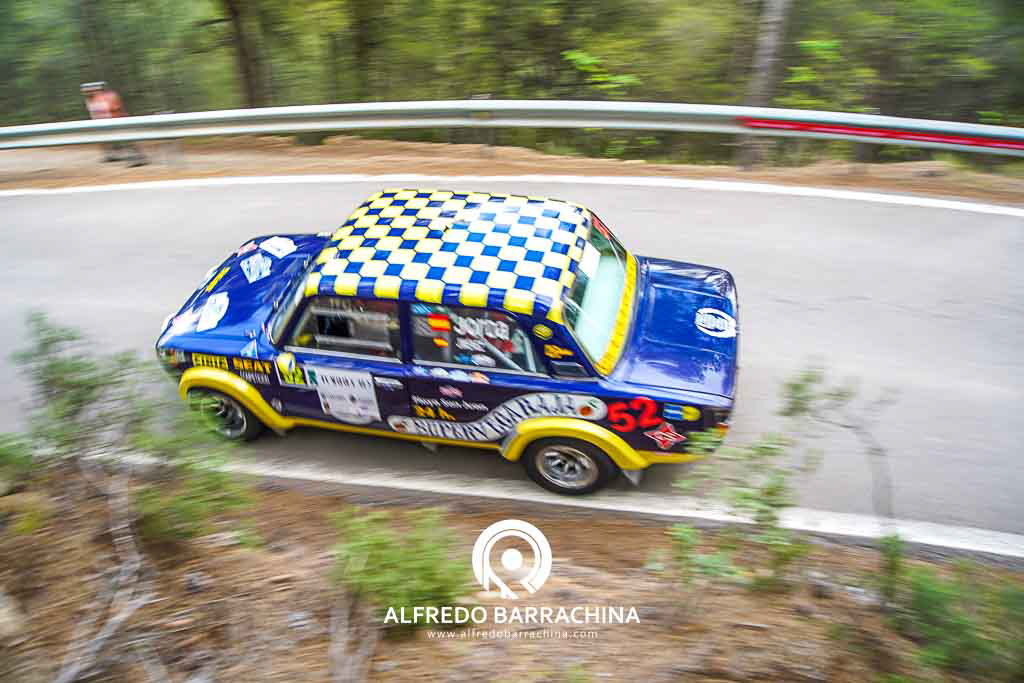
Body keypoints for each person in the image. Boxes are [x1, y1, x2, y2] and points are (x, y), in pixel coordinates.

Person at [80, 81, 148, 166]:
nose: (87, 92)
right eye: (86, 91)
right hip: (102, 123)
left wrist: (115, 118)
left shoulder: (110, 96)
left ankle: (138, 158)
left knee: (126, 140)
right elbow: (93, 112)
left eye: (89, 90)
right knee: (103, 140)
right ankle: (111, 155)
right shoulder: (90, 100)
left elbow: (116, 108)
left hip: (116, 121)